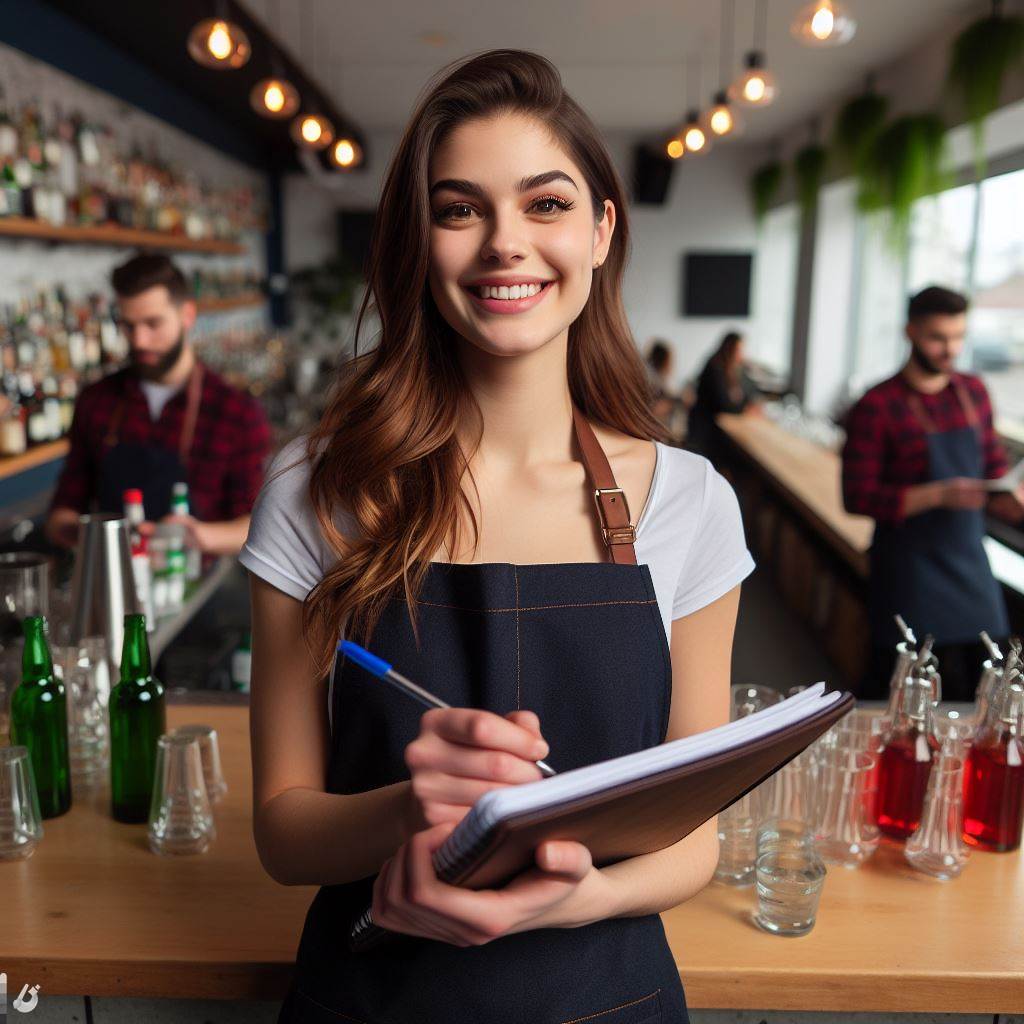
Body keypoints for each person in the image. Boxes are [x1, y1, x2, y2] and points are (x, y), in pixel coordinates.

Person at [240, 49, 755, 1024]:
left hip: (609, 996)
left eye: (546, 204)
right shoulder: (318, 490)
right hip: (371, 1002)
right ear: (418, 242)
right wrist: (415, 804)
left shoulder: (691, 501)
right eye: (459, 208)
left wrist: (582, 896)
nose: (504, 243)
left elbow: (695, 838)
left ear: (602, 230)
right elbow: (284, 832)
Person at [842, 285, 1024, 701]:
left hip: (970, 565)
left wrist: (1008, 496)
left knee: (985, 694)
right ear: (910, 332)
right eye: (937, 338)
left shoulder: (973, 392)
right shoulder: (877, 404)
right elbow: (857, 496)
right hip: (908, 571)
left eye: (958, 337)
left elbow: (992, 464)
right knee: (905, 694)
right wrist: (938, 495)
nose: (950, 349)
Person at [44, 252, 273, 557]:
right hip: (113, 573)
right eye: (128, 325)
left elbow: (254, 525)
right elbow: (63, 509)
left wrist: (198, 535)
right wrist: (89, 534)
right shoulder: (96, 400)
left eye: (153, 323)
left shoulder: (236, 412)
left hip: (199, 587)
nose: (139, 340)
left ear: (187, 315)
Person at [686, 330, 760, 463]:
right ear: (730, 349)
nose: (742, 354)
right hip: (706, 429)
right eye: (739, 350)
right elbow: (722, 403)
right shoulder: (715, 368)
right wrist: (744, 409)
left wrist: (751, 402)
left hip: (716, 427)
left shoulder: (734, 368)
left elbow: (751, 389)